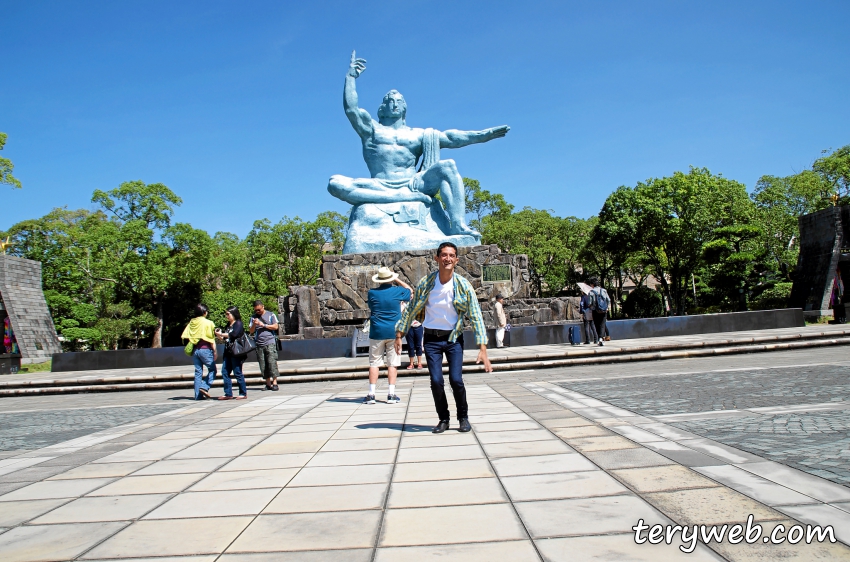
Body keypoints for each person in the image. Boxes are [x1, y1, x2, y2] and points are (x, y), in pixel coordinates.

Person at [396, 242, 493, 434]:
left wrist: (483, 348)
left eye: (451, 255)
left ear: (456, 260)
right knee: (436, 381)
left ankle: (463, 417)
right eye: (444, 255)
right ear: (437, 258)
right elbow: (411, 310)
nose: (447, 259)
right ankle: (443, 418)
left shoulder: (463, 285)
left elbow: (475, 316)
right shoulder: (426, 283)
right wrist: (399, 334)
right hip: (431, 339)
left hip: (453, 339)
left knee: (456, 380)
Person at [365, 267, 412, 404]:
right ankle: (391, 394)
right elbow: (410, 291)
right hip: (394, 332)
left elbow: (371, 308)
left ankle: (371, 394)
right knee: (393, 363)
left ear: (379, 280)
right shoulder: (397, 291)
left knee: (374, 363)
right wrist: (396, 278)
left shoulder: (372, 293)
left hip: (376, 331)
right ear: (391, 278)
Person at [181, 304, 217, 400]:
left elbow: (187, 335)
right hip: (205, 349)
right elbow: (211, 338)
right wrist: (215, 351)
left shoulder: (192, 322)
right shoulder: (208, 323)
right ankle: (204, 387)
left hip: (195, 350)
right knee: (213, 370)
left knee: (198, 373)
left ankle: (198, 396)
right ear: (204, 312)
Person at [215, 306, 247, 400]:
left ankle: (243, 392)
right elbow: (225, 338)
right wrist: (219, 335)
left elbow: (234, 334)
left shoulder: (238, 323)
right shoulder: (228, 325)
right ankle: (228, 393)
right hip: (228, 351)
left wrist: (222, 334)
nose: (227, 316)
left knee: (237, 372)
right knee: (225, 372)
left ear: (234, 314)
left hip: (236, 352)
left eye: (228, 314)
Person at [249, 300, 279, 391]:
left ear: (263, 306)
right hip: (259, 343)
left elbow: (275, 326)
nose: (257, 312)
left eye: (259, 310)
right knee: (263, 364)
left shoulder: (271, 315)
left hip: (270, 342)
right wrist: (254, 324)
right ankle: (268, 383)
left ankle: (275, 382)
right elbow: (251, 331)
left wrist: (263, 325)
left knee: (271, 362)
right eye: (256, 310)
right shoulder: (253, 318)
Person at [588, 277, 611, 347]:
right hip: (604, 310)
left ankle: (599, 338)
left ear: (592, 284)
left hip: (595, 311)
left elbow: (590, 303)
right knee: (602, 324)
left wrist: (591, 307)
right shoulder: (603, 290)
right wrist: (607, 307)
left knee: (597, 325)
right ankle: (601, 338)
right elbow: (608, 300)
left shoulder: (591, 292)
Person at [402, 301, 424, 370]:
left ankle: (419, 362)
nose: (410, 296)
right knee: (410, 345)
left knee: (418, 344)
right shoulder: (403, 304)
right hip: (408, 326)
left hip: (418, 325)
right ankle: (411, 363)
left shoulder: (418, 302)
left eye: (412, 293)